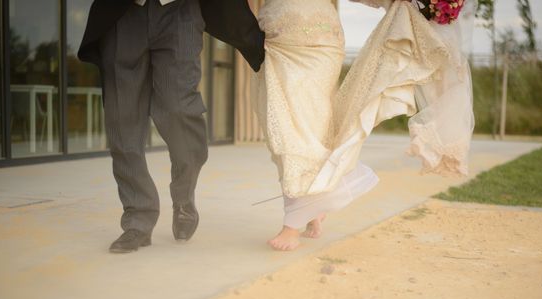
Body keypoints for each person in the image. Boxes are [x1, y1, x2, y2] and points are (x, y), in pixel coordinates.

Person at [254, 0, 474, 251]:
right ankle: (312, 208)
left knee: (296, 129)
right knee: (282, 128)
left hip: (318, 39)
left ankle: (292, 223)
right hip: (273, 39)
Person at [78, 0, 265, 253]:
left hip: (180, 12)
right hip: (123, 13)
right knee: (121, 119)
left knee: (179, 109)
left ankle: (184, 196)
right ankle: (138, 219)